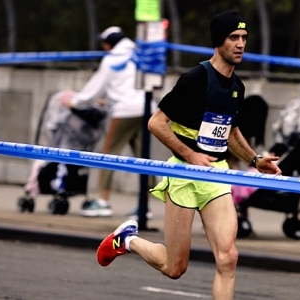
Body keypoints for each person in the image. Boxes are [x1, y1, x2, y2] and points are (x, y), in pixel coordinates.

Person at [95, 11, 281, 300]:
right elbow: (156, 123)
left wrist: (256, 160)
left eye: (244, 38)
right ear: (219, 41)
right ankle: (127, 240)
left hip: (216, 174)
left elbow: (230, 132)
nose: (241, 44)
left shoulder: (237, 87)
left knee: (228, 257)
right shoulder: (195, 78)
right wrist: (190, 155)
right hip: (184, 173)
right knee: (174, 267)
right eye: (234, 37)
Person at [64, 26, 156, 218]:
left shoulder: (111, 59)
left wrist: (74, 101)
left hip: (125, 111)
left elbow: (94, 89)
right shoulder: (137, 53)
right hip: (147, 108)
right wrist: (109, 100)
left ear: (108, 44)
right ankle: (144, 207)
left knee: (109, 154)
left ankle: (103, 202)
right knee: (142, 157)